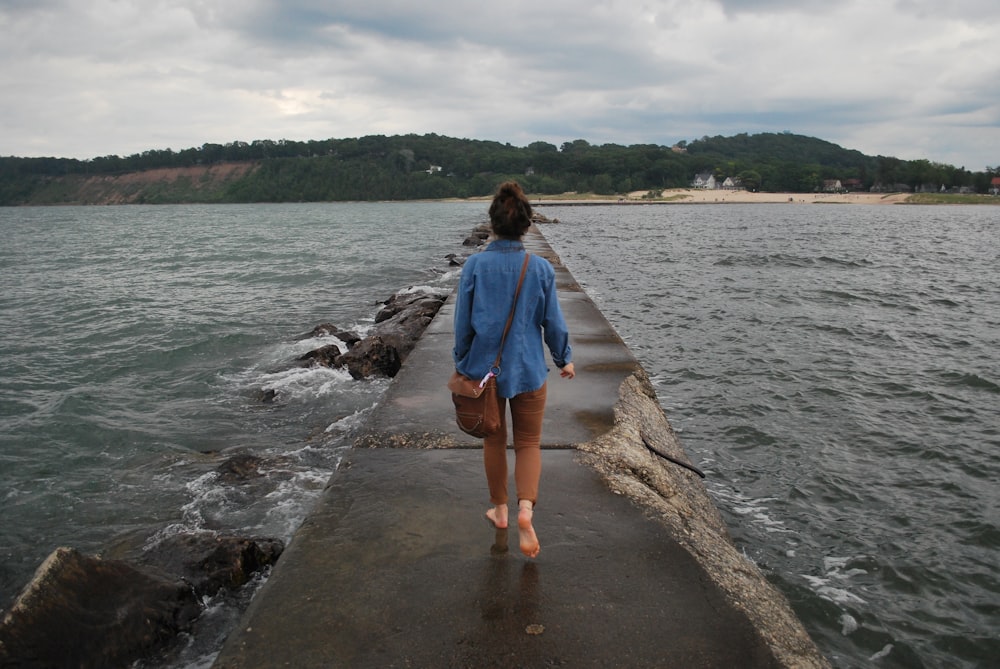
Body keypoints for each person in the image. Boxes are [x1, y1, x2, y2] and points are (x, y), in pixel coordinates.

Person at [453, 181, 576, 559]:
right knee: (527, 443)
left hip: (483, 372)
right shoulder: (539, 268)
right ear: (526, 225)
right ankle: (526, 511)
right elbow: (551, 320)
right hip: (527, 369)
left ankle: (501, 511)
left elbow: (462, 324)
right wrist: (564, 357)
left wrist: (463, 363)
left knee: (494, 439)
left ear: (492, 224)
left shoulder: (474, 265)